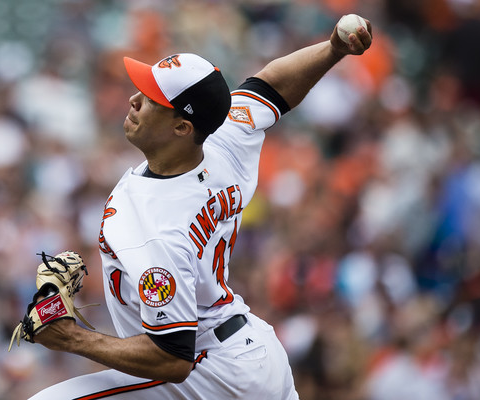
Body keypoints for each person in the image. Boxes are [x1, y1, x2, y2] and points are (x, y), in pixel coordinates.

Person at [27, 15, 372, 400]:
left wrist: (72, 338)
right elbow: (273, 85)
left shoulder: (151, 226)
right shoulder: (223, 137)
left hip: (211, 373)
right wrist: (333, 49)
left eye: (152, 99)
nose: (134, 100)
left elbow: (173, 358)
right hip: (252, 352)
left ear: (182, 127)